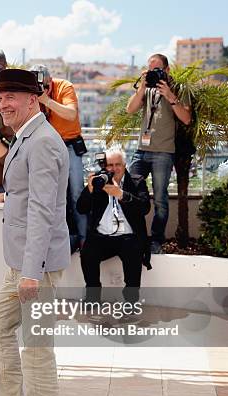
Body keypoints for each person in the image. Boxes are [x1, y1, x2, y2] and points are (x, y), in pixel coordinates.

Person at [0, 69, 69, 396]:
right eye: (0, 100)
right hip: (20, 262)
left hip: (37, 267)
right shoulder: (27, 137)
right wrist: (7, 196)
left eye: (11, 98)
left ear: (33, 100)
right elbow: (28, 191)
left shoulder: (44, 141)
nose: (4, 105)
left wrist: (31, 273)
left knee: (36, 347)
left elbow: (44, 210)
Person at [126, 53, 191, 253]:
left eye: (157, 69)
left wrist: (170, 96)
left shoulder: (180, 89)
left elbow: (187, 118)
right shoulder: (145, 90)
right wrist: (142, 87)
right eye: (150, 69)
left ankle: (156, 239)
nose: (153, 73)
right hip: (141, 150)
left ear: (167, 70)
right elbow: (130, 109)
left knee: (161, 199)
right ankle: (134, 235)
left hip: (163, 152)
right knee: (129, 190)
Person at [77, 149, 152, 304]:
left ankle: (131, 301)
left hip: (128, 237)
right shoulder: (99, 182)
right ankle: (93, 297)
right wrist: (89, 190)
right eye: (110, 165)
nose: (114, 168)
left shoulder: (137, 181)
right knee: (87, 254)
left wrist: (121, 194)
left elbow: (145, 208)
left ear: (125, 166)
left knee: (134, 255)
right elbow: (81, 208)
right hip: (102, 237)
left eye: (118, 164)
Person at [30, 64, 87, 252]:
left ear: (49, 81)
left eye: (45, 85)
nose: (42, 89)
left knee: (77, 193)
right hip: (46, 148)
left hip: (70, 145)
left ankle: (85, 240)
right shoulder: (31, 94)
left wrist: (46, 100)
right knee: (51, 196)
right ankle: (59, 241)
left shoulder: (64, 87)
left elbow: (71, 114)